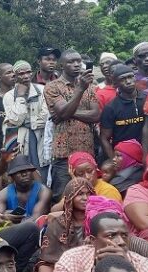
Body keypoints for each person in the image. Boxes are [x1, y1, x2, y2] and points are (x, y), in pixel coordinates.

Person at [44, 49, 100, 202]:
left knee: (87, 197)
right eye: (71, 62)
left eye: (78, 61)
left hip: (87, 154)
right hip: (64, 156)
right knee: (63, 198)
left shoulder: (89, 86)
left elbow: (95, 115)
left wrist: (68, 113)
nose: (76, 64)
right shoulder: (52, 87)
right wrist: (80, 90)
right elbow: (62, 112)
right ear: (61, 65)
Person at [3, 60, 51, 182]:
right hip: (19, 140)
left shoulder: (42, 90)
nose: (25, 76)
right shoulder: (9, 96)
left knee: (42, 172)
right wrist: (20, 97)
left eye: (28, 72)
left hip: (40, 138)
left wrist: (28, 123)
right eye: (21, 73)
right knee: (22, 173)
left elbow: (46, 117)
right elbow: (16, 120)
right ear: (15, 76)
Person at [100, 64, 147, 159]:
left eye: (130, 77)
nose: (128, 81)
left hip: (146, 154)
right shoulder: (111, 108)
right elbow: (104, 138)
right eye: (123, 79)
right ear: (115, 83)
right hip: (124, 158)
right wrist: (114, 161)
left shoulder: (147, 100)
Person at [0, 155, 51, 223]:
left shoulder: (43, 192)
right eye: (19, 172)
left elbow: (36, 220)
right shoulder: (3, 194)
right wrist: (5, 218)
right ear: (12, 176)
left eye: (27, 170)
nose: (24, 174)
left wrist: (9, 222)